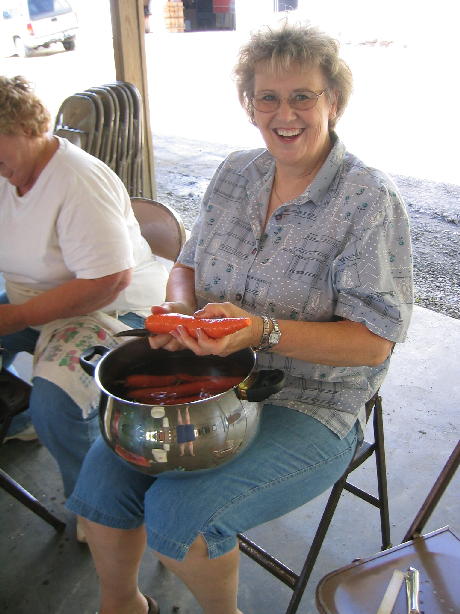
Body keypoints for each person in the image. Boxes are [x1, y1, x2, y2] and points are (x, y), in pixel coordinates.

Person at [66, 22, 413, 614]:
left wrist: (264, 331)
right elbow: (189, 264)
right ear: (249, 106)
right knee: (103, 479)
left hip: (311, 401)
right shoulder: (236, 171)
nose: (286, 113)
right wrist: (179, 307)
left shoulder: (367, 201)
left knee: (179, 515)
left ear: (334, 101)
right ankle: (121, 604)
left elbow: (375, 342)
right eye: (268, 97)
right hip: (212, 378)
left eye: (304, 95)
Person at [0, 76, 169, 513]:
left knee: (54, 404)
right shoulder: (9, 171)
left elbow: (108, 281)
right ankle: (16, 420)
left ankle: (94, 507)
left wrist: (15, 319)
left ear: (25, 127)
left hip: (112, 309)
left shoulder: (76, 181)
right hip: (33, 302)